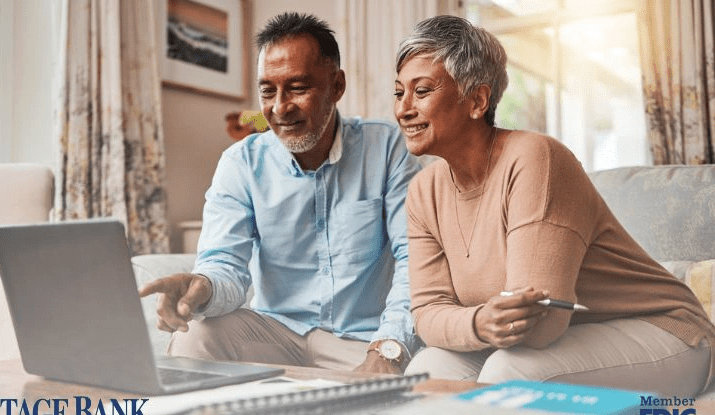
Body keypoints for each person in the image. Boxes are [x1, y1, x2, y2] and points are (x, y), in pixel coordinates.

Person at [395, 15, 715, 395]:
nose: (403, 109)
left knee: (508, 373)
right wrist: (480, 323)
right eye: (399, 92)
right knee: (427, 369)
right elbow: (427, 314)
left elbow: (542, 324)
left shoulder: (536, 159)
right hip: (561, 341)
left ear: (477, 100)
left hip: (665, 332)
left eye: (422, 91)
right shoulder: (423, 191)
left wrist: (473, 322)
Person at [140, 13, 421, 374]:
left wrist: (388, 349)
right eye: (267, 91)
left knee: (426, 370)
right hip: (276, 335)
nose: (279, 107)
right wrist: (202, 286)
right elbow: (225, 265)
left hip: (364, 340)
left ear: (336, 86)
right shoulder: (241, 163)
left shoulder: (386, 147)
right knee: (196, 335)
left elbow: (415, 259)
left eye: (298, 88)